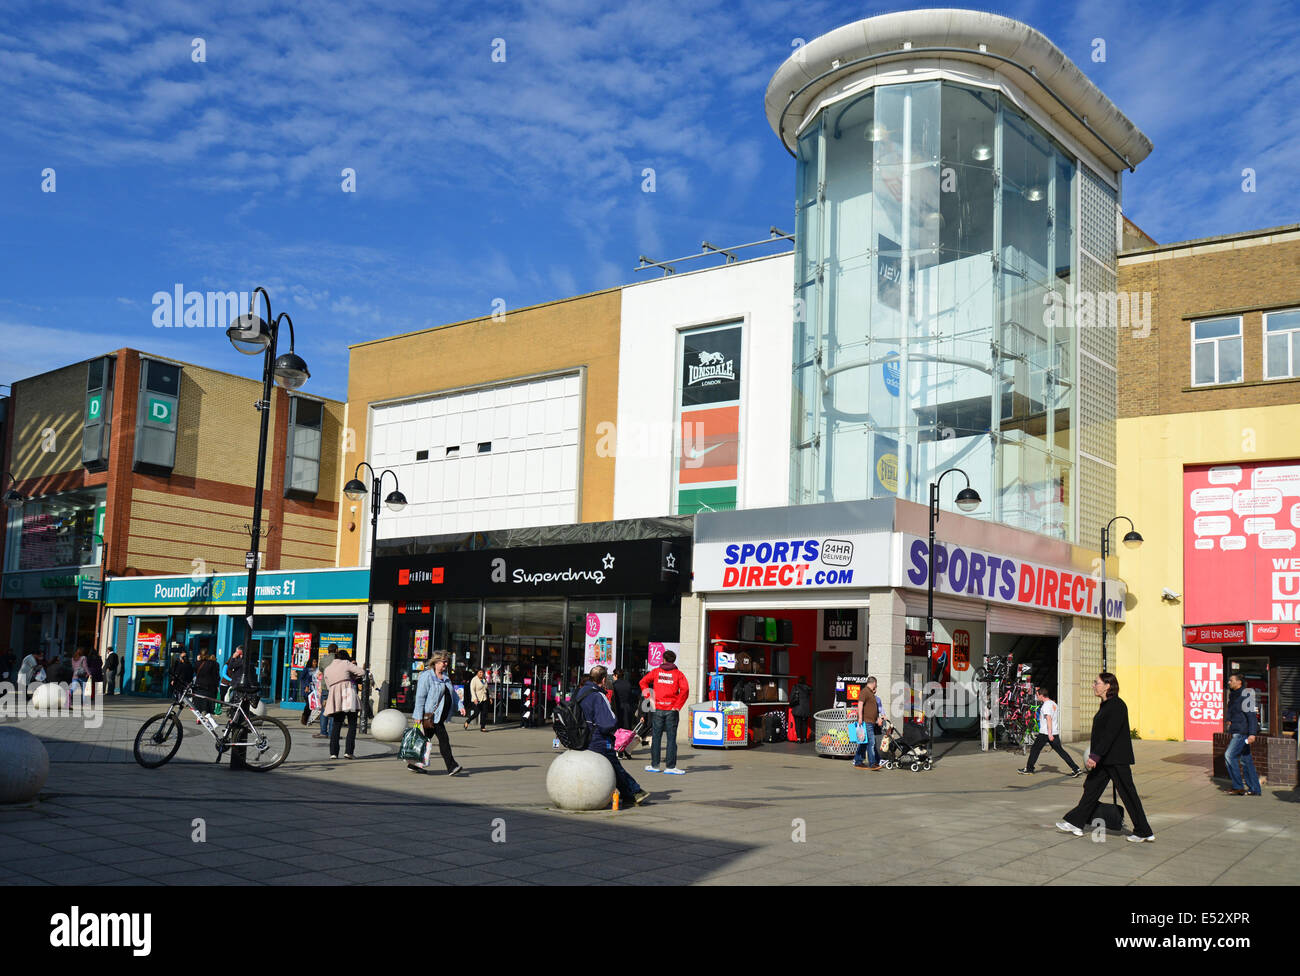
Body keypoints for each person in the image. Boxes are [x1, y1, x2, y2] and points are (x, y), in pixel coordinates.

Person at [1057, 672, 1155, 842]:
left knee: (1128, 793)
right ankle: (1076, 823)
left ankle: (1143, 831)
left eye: (1097, 683)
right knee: (1091, 790)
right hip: (1106, 760)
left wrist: (1095, 756)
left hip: (1116, 759)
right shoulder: (1106, 705)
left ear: (1108, 686)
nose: (1094, 686)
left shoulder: (1117, 705)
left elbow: (1109, 734)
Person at [579, 666, 649, 807]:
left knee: (612, 765)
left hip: (581, 736)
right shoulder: (598, 696)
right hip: (597, 738)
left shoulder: (580, 692)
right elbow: (608, 723)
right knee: (614, 764)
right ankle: (633, 791)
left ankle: (632, 792)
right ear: (604, 679)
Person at [409, 651, 465, 775]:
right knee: (444, 740)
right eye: (443, 661)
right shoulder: (427, 676)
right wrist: (418, 715)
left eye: (446, 661)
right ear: (436, 662)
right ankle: (451, 766)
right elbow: (420, 697)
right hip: (431, 717)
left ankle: (413, 764)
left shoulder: (445, 677)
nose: (446, 664)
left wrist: (460, 705)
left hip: (439, 716)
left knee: (423, 740)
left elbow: (453, 694)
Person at [639, 650, 690, 775]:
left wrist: (650, 698)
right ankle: (670, 767)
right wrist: (677, 706)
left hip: (657, 709)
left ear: (663, 659)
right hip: (672, 710)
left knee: (656, 737)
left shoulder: (656, 672)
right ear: (674, 660)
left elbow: (642, 682)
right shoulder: (678, 674)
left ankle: (655, 765)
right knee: (671, 739)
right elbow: (685, 689)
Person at [1018, 686, 1081, 776]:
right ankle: (1076, 769)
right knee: (1061, 752)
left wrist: (1049, 734)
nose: (1037, 697)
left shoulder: (1046, 705)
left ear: (1042, 695)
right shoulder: (1053, 704)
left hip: (1046, 733)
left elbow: (1049, 719)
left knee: (1035, 750)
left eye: (1037, 695)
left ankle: (1029, 769)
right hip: (1054, 733)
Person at [1222, 672, 1262, 796]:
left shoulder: (1246, 695)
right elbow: (1233, 711)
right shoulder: (1234, 695)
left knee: (1229, 756)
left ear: (1239, 682)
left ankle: (1238, 786)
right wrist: (1229, 720)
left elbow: (1251, 716)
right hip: (1236, 730)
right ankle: (1255, 789)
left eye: (1231, 680)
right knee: (1246, 760)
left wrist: (1252, 734)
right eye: (1229, 680)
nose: (1229, 682)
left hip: (1242, 732)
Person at [323, 649, 364, 760]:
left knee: (336, 724)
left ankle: (333, 753)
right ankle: (349, 752)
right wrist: (351, 677)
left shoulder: (327, 669)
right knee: (352, 724)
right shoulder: (346, 663)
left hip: (335, 697)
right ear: (346, 658)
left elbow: (328, 686)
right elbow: (361, 672)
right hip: (348, 694)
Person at [852, 677, 883, 770]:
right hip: (866, 721)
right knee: (871, 742)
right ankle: (872, 763)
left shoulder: (871, 693)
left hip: (871, 722)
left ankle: (858, 761)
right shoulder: (865, 691)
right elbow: (860, 704)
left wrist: (877, 718)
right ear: (873, 683)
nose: (876, 686)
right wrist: (860, 718)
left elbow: (873, 709)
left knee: (864, 743)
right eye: (876, 684)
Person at [790, 675, 814, 743]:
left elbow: (791, 697)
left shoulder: (795, 687)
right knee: (804, 724)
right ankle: (805, 738)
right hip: (805, 709)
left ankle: (799, 739)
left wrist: (791, 705)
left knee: (797, 724)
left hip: (797, 708)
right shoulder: (808, 688)